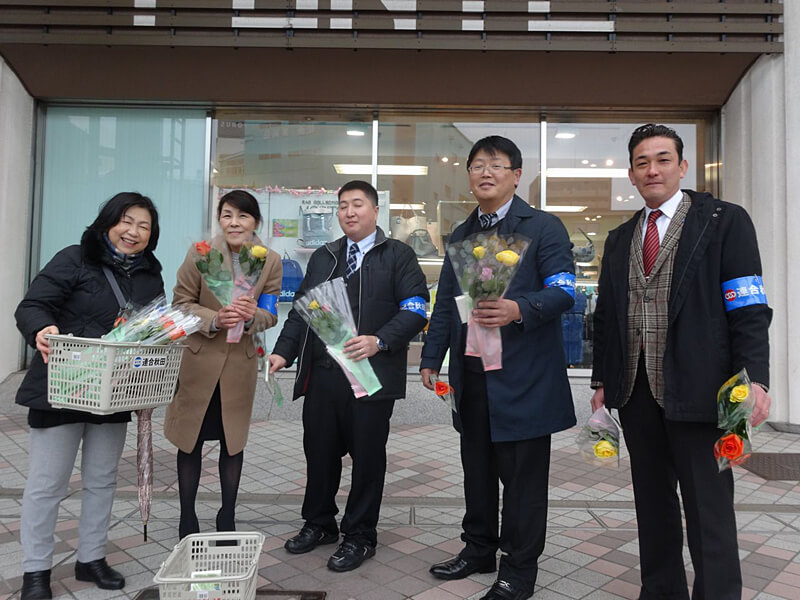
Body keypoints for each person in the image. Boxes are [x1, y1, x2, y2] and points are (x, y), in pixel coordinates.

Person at [590, 124, 772, 599]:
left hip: (705, 391)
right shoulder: (619, 237)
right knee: (652, 508)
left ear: (683, 166)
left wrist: (754, 379)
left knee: (708, 509)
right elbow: (607, 316)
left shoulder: (724, 221)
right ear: (631, 174)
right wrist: (602, 380)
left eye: (663, 159)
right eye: (643, 162)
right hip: (635, 394)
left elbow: (747, 304)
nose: (653, 170)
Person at [421, 136, 576, 600]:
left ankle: (519, 571)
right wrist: (431, 359)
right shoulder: (462, 234)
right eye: (477, 165)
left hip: (524, 377)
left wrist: (519, 308)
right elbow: (447, 303)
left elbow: (565, 290)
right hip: (472, 374)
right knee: (478, 469)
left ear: (515, 175)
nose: (485, 172)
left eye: (496, 165)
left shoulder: (544, 227)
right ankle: (478, 548)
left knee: (524, 481)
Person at [268, 180, 428, 572]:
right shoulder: (324, 257)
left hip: (370, 377)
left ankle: (359, 535)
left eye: (357, 204)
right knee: (319, 454)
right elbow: (303, 312)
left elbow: (416, 309)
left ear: (375, 212)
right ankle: (319, 523)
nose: (349, 212)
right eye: (342, 206)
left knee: (368, 460)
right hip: (323, 375)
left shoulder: (399, 256)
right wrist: (282, 352)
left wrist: (380, 340)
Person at [15, 192, 164, 600]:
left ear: (152, 235)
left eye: (144, 226)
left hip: (112, 391)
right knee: (47, 484)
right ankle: (35, 571)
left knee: (101, 480)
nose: (133, 232)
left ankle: (91, 558)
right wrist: (42, 329)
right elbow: (32, 305)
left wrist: (151, 371)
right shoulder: (74, 258)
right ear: (108, 222)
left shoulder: (151, 273)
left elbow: (155, 332)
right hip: (61, 387)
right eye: (127, 221)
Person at [164, 190, 282, 539]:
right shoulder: (202, 253)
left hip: (238, 368)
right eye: (227, 214)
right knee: (191, 441)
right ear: (220, 218)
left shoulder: (268, 259)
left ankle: (227, 514)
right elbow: (180, 303)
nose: (234, 222)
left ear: (255, 222)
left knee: (233, 443)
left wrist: (251, 317)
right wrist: (215, 318)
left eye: (243, 216)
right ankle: (188, 516)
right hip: (199, 363)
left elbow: (271, 313)